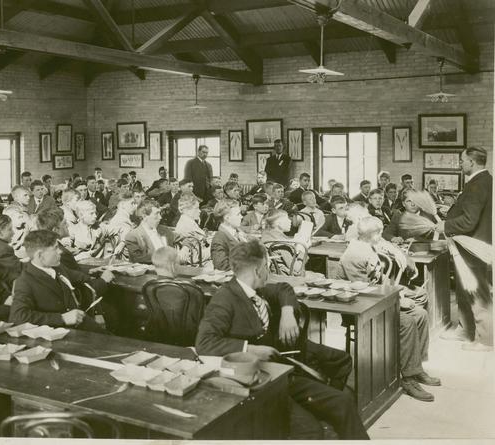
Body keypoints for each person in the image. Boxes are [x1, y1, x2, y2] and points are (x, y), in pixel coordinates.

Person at [196, 240, 368, 440]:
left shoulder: (255, 290)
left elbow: (284, 288)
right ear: (259, 270)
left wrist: (287, 312)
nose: (268, 271)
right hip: (256, 383)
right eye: (267, 266)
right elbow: (204, 343)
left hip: (279, 375)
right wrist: (251, 349)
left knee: (343, 402)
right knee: (310, 431)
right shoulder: (224, 298)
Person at [337, 217, 441, 401]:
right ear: (374, 234)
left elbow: (378, 282)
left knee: (421, 314)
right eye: (379, 232)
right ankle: (408, 378)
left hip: (376, 300)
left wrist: (398, 295)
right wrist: (399, 301)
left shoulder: (367, 245)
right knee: (408, 320)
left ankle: (415, 368)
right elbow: (367, 291)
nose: (381, 235)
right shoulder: (356, 254)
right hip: (363, 308)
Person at [436, 147, 492, 351]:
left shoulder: (477, 184)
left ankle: (486, 340)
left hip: (474, 247)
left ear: (472, 162)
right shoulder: (484, 180)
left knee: (477, 292)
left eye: (462, 161)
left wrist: (446, 225)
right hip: (468, 247)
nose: (460, 164)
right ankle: (465, 329)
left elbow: (469, 221)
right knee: (464, 290)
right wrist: (451, 211)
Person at [9, 230, 114, 332]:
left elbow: (83, 279)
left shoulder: (57, 268)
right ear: (40, 255)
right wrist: (61, 318)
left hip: (82, 324)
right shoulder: (25, 281)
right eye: (55, 248)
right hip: (61, 334)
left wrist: (94, 274)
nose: (61, 251)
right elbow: (17, 317)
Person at [124, 200, 175, 264]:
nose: (160, 217)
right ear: (144, 216)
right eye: (156, 214)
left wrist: (185, 248)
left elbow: (184, 238)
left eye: (160, 213)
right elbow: (139, 259)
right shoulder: (133, 237)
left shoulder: (164, 230)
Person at [210, 199, 249, 271]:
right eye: (238, 214)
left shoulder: (237, 233)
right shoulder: (220, 238)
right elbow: (221, 266)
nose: (241, 217)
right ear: (227, 218)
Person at [0, 214, 21, 293]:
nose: (13, 233)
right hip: (5, 292)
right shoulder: (4, 249)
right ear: (0, 231)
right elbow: (17, 273)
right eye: (10, 229)